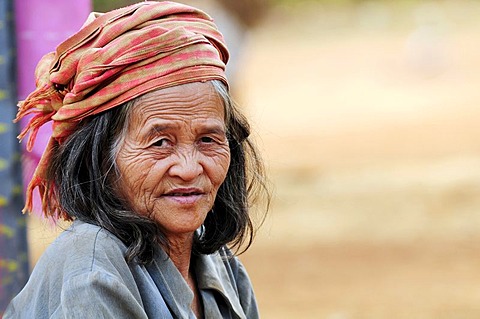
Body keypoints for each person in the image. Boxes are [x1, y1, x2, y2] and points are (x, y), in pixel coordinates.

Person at [4, 1, 268, 318]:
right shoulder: (91, 269)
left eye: (208, 140)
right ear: (101, 155)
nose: (188, 168)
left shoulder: (217, 264)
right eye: (159, 143)